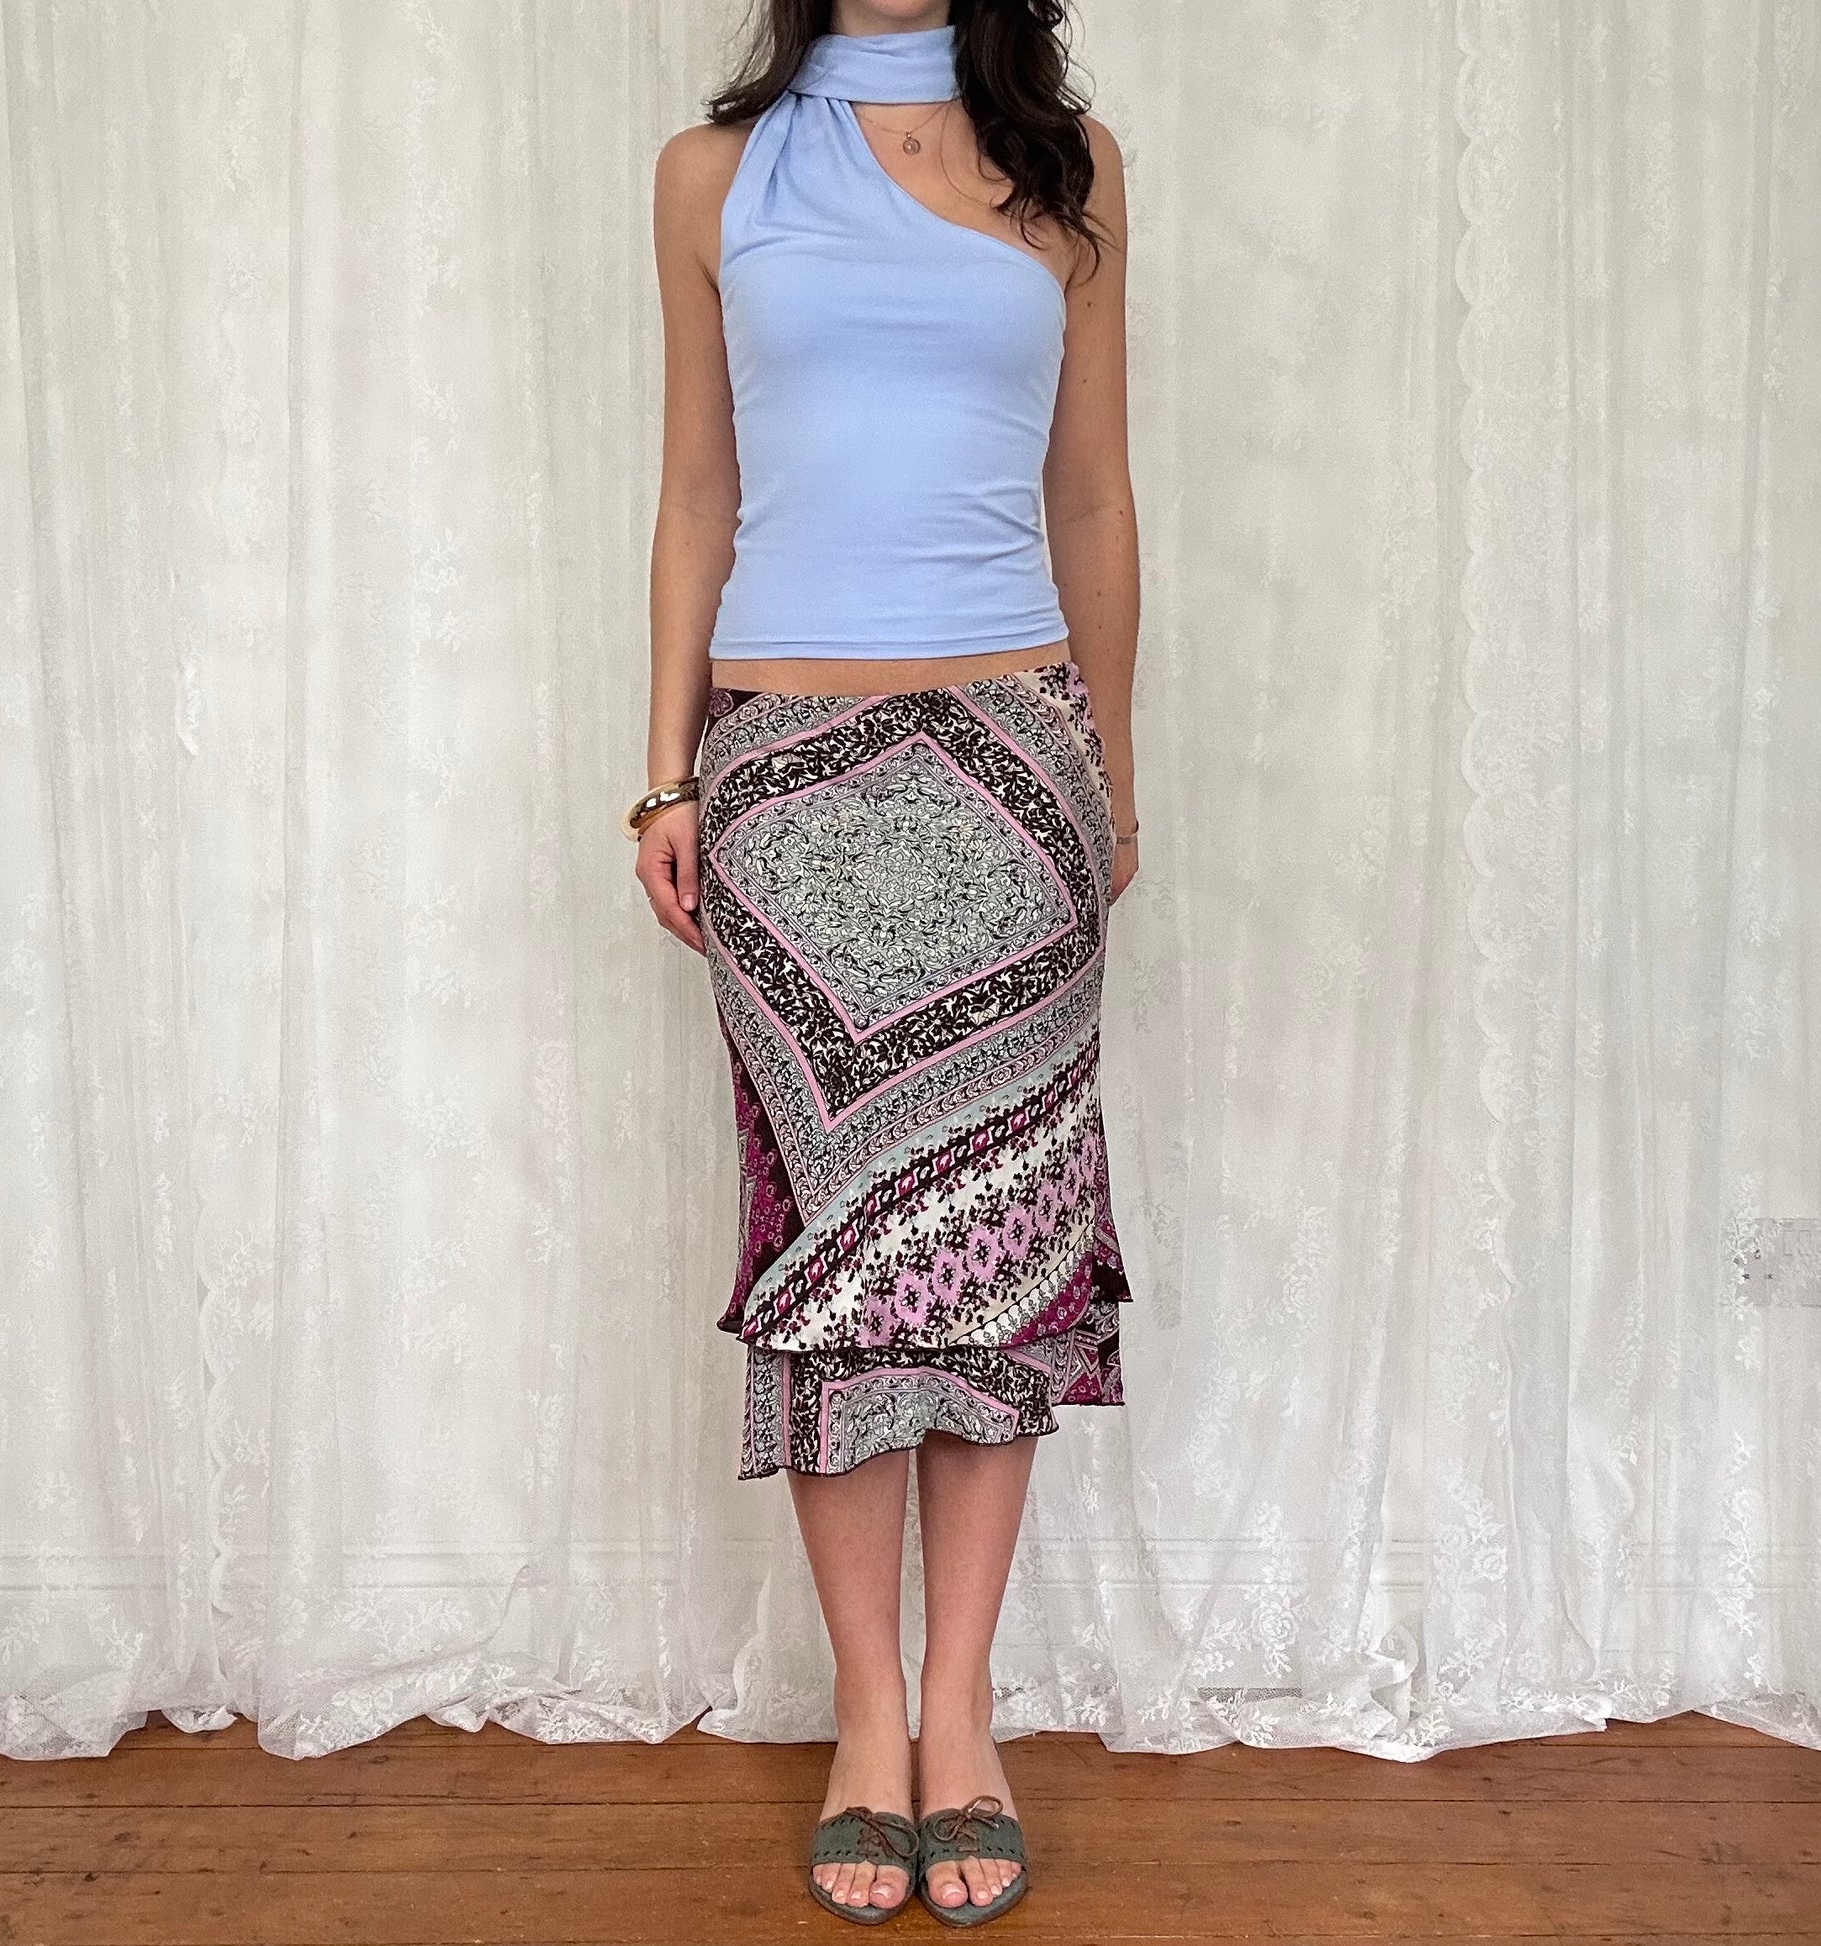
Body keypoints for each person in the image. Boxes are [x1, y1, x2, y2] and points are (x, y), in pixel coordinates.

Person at [631, 0, 1138, 1924]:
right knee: (836, 1262)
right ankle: (865, 1711)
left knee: (999, 1249)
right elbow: (698, 485)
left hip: (1015, 757)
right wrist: (665, 770)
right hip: (782, 765)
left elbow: (1090, 495)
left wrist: (1109, 775)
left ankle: (963, 1709)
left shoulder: (1070, 171)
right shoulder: (712, 175)